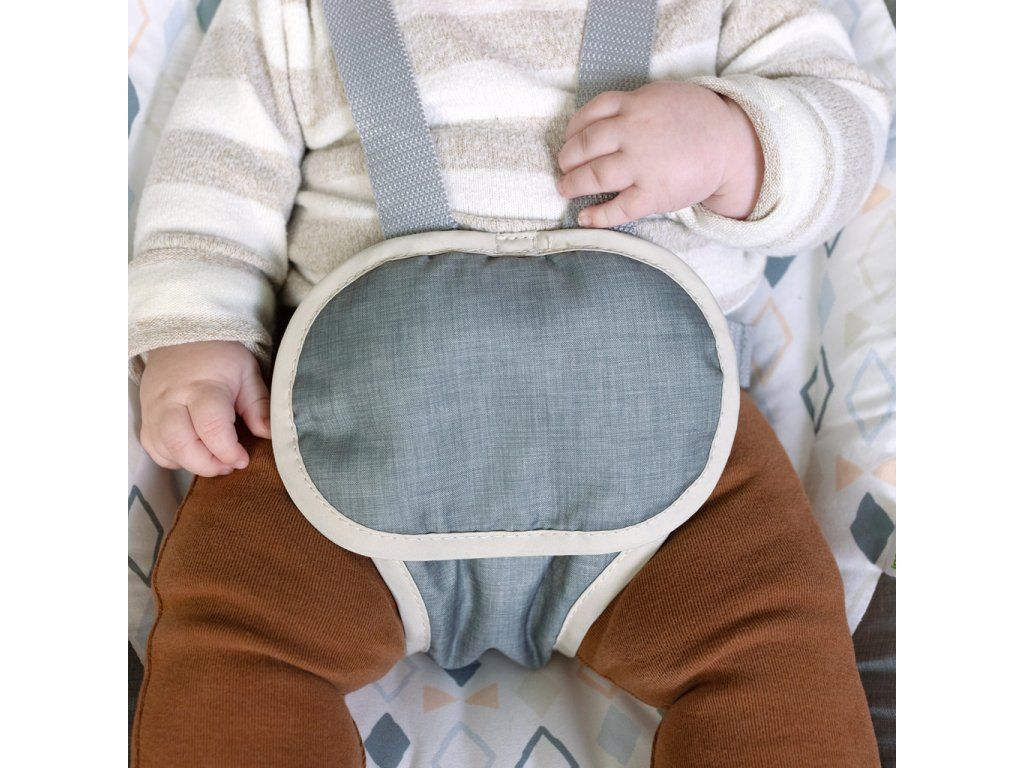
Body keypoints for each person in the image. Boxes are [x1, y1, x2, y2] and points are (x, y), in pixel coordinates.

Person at [129, 0, 891, 764]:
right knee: (234, 624)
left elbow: (846, 124)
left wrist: (735, 139)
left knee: (774, 634)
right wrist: (198, 333)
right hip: (344, 447)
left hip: (675, 469)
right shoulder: (293, 13)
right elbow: (215, 166)